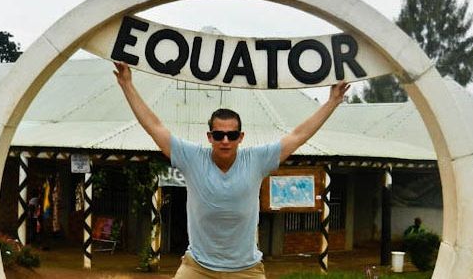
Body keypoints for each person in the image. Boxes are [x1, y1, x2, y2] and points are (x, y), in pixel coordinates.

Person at [113, 62, 349, 278]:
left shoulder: (256, 159)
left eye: (232, 134)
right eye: (218, 134)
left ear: (240, 137)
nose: (225, 140)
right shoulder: (192, 157)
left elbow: (298, 136)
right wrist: (126, 84)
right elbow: (155, 127)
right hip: (198, 267)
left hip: (246, 269)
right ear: (210, 137)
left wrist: (332, 102)